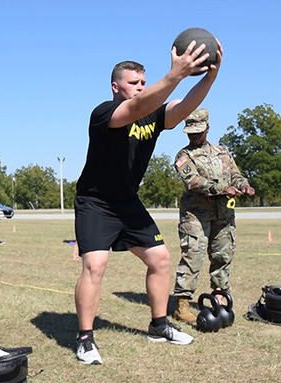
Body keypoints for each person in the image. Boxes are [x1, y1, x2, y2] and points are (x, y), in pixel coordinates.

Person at [74, 39, 223, 365]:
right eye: (133, 83)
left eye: (144, 82)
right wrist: (176, 74)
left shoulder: (152, 114)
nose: (140, 88)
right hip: (95, 202)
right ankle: (85, 339)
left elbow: (182, 108)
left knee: (160, 260)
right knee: (94, 266)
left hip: (128, 202)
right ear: (116, 87)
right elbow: (137, 108)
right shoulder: (104, 113)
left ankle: (159, 326)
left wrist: (208, 78)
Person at [172, 109, 255, 323]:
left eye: (198, 131)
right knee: (193, 256)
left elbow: (235, 174)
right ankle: (182, 305)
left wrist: (244, 186)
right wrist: (221, 188)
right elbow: (192, 181)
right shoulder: (183, 156)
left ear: (207, 128)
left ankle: (221, 295)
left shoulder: (222, 152)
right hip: (195, 215)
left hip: (223, 213)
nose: (194, 136)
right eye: (190, 132)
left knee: (223, 255)